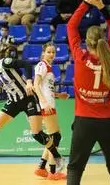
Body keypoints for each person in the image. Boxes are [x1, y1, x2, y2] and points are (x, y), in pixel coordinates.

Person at [0, 46, 65, 172]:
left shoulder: (5, 62)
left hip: (28, 98)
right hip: (13, 101)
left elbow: (27, 64)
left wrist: (29, 82)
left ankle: (57, 157)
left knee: (37, 134)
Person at [66, 0, 110, 185]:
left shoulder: (80, 57)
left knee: (75, 168)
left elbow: (70, 26)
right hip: (107, 123)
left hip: (84, 122)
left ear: (86, 40)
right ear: (101, 40)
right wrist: (102, 8)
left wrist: (86, 3)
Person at [33, 43, 69, 180]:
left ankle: (42, 168)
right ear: (43, 53)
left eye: (53, 52)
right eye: (49, 52)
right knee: (55, 137)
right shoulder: (42, 66)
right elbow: (36, 85)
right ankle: (53, 172)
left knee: (52, 137)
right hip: (46, 106)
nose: (51, 54)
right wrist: (44, 102)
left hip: (49, 104)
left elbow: (47, 89)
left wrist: (59, 95)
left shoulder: (49, 67)